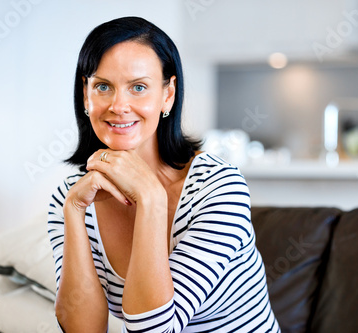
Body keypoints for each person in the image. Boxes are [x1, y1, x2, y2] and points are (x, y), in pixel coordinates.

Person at [47, 16, 280, 332]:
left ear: (167, 94)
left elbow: (155, 330)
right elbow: (84, 329)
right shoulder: (72, 197)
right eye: (103, 86)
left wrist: (151, 198)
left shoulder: (218, 187)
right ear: (86, 94)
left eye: (139, 87)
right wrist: (73, 211)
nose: (119, 105)